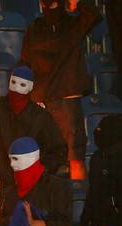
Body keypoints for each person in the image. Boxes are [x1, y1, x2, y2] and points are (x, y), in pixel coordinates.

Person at [0, 63, 67, 217]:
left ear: (30, 88)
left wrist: (35, 169)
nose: (17, 89)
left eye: (22, 84)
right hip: (0, 191)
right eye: (14, 83)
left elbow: (58, 151)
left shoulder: (41, 117)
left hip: (30, 194)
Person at [21, 0, 102, 180]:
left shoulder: (68, 25)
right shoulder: (39, 27)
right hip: (50, 99)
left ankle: (75, 203)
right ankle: (71, 204)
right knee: (70, 157)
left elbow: (24, 65)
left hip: (57, 98)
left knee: (72, 157)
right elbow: (25, 63)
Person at [3, 137, 72, 226]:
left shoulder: (56, 187)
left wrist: (35, 223)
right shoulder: (10, 192)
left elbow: (66, 224)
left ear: (31, 158)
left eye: (16, 158)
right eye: (10, 159)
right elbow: (4, 224)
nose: (12, 164)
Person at [77, 114, 122, 226]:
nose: (97, 131)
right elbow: (93, 193)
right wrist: (83, 223)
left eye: (102, 129)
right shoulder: (97, 157)